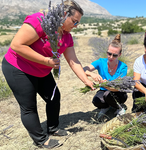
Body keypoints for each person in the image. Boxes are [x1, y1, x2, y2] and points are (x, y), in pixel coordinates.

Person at [1, 0, 94, 149]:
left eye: (78, 23)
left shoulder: (67, 36)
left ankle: (53, 128)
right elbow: (17, 45)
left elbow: (73, 61)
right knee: (29, 107)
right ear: (64, 15)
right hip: (18, 68)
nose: (76, 26)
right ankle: (40, 139)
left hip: (41, 70)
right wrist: (46, 61)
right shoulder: (39, 21)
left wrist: (86, 80)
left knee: (54, 97)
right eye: (74, 21)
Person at [83, 34, 128, 119]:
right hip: (104, 91)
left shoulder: (123, 66)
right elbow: (82, 70)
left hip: (119, 93)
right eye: (109, 54)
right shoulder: (101, 62)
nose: (111, 57)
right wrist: (91, 74)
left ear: (120, 55)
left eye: (115, 55)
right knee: (96, 100)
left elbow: (119, 87)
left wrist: (107, 84)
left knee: (108, 94)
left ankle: (120, 108)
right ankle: (106, 107)